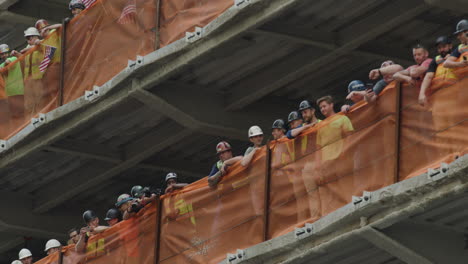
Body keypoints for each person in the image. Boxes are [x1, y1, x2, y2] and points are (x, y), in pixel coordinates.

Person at [316, 96, 354, 162]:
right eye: (320, 108)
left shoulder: (342, 118)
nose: (322, 109)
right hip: (326, 162)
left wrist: (344, 151)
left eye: (324, 106)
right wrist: (318, 162)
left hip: (342, 158)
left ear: (331, 105)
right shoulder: (320, 125)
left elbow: (350, 136)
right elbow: (318, 147)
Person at [419, 36, 454, 106]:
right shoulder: (435, 60)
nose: (441, 50)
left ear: (450, 46)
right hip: (440, 96)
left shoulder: (457, 55)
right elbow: (428, 77)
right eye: (439, 48)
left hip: (456, 93)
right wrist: (422, 93)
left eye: (444, 46)